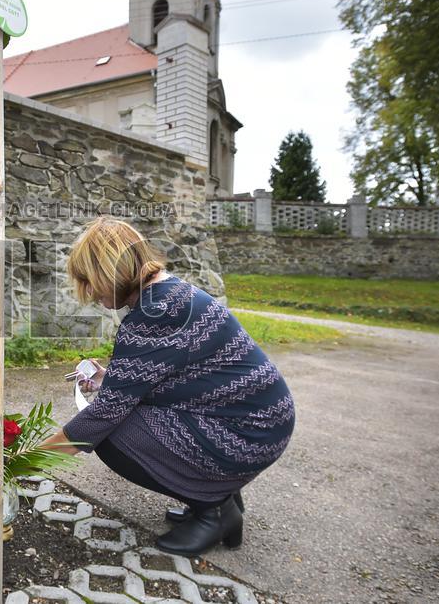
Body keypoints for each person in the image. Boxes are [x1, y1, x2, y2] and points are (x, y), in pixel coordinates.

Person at [42, 216, 295, 557]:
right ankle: (218, 498)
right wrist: (107, 378)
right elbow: (173, 375)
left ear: (108, 271)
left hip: (248, 434)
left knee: (111, 435)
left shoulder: (154, 312)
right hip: (260, 423)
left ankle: (216, 510)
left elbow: (105, 415)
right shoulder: (170, 292)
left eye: (90, 281)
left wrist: (31, 460)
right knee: (121, 417)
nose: (88, 294)